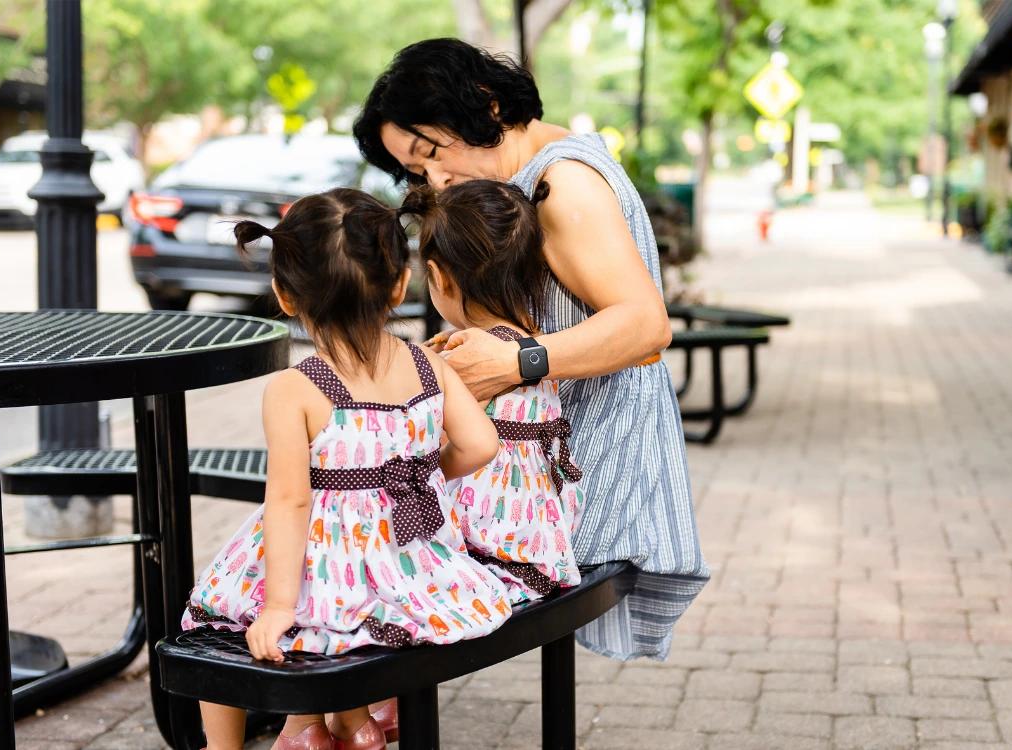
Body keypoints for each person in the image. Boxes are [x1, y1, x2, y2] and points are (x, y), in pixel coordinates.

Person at [354, 38, 709, 661]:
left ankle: (335, 694)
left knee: (362, 532)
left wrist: (516, 361)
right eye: (416, 172)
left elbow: (647, 325)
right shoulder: (532, 169)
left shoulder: (562, 185)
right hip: (545, 458)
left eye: (432, 151)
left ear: (486, 106)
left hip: (589, 479)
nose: (435, 179)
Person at [180, 188, 510, 750]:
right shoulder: (426, 361)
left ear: (285, 295)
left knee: (213, 611)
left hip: (326, 564)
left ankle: (228, 748)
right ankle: (351, 725)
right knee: (335, 630)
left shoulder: (294, 388)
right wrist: (418, 477)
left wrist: (280, 606)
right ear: (400, 286)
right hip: (410, 563)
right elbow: (481, 445)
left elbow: (289, 502)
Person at [401, 179, 584, 604]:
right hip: (541, 538)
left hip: (486, 546)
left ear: (437, 276)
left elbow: (431, 445)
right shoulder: (537, 343)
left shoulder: (469, 356)